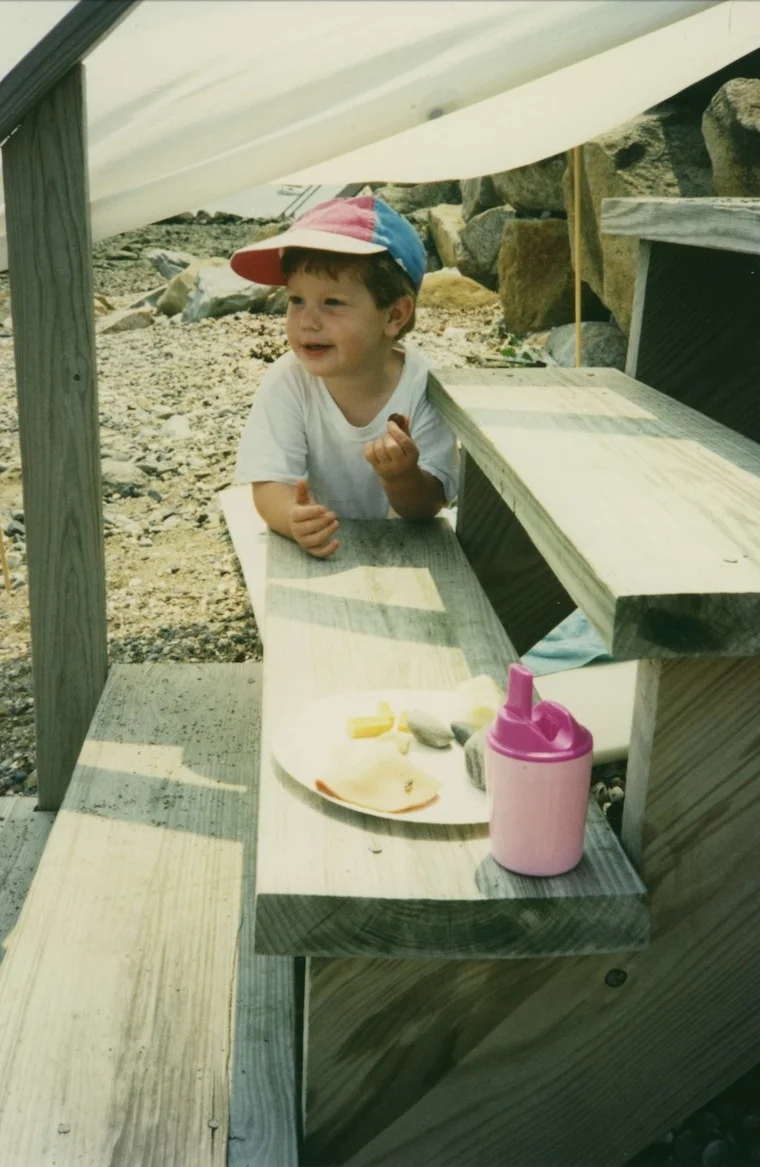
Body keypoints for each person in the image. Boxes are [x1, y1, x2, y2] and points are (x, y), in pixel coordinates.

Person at [230, 195, 458, 558]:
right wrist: (293, 518)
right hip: (324, 545)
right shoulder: (288, 381)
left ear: (394, 316)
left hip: (405, 549)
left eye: (332, 302)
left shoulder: (423, 386)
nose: (307, 320)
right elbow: (270, 483)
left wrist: (402, 477)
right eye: (296, 300)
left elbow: (428, 505)